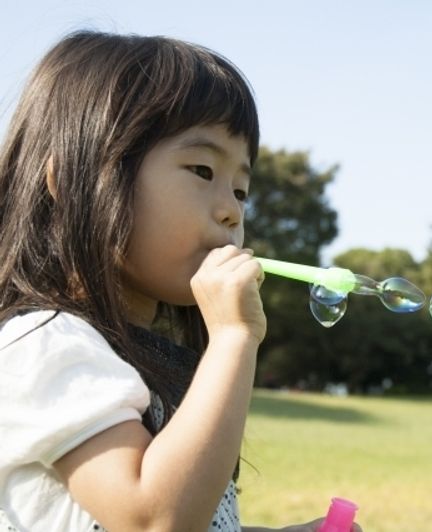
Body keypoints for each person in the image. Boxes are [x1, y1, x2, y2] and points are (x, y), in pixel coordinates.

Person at [0, 31, 362, 532]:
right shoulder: (46, 345)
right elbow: (155, 518)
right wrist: (233, 338)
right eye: (201, 169)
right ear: (74, 184)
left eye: (241, 189)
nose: (231, 210)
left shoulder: (146, 356)